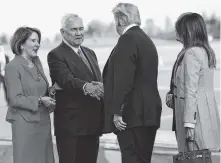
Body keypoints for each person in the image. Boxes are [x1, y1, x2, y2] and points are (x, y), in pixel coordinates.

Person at [102, 3, 162, 163]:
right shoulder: (145, 39)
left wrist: (117, 111)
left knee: (132, 158)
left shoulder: (127, 40)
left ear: (120, 20)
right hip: (149, 113)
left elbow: (123, 80)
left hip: (133, 115)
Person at [47, 14, 104, 163]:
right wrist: (86, 86)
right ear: (63, 32)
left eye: (81, 28)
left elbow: (97, 80)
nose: (78, 33)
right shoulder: (55, 55)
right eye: (73, 29)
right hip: (71, 127)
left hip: (92, 124)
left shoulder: (90, 53)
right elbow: (66, 80)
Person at [167, 13, 220, 152]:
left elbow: (191, 90)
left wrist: (189, 124)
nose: (176, 33)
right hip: (203, 116)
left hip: (194, 119)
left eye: (179, 29)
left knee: (192, 157)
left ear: (188, 31)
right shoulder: (204, 51)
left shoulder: (191, 54)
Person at [4, 27, 56, 163]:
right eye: (33, 40)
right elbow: (15, 99)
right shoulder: (12, 67)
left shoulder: (36, 63)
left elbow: (39, 89)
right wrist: (39, 100)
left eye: (38, 41)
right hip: (25, 124)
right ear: (21, 44)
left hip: (43, 122)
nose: (37, 44)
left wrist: (53, 90)